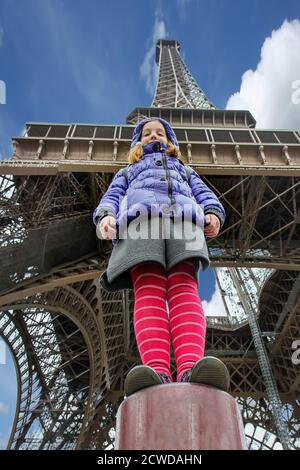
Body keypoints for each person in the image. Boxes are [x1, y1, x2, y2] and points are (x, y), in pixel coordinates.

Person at [93, 117, 230, 396]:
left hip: (185, 222)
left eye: (160, 133)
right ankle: (156, 370)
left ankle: (191, 366)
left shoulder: (185, 168)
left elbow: (204, 194)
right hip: (141, 222)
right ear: (137, 142)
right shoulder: (127, 172)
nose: (154, 136)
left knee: (185, 289)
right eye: (146, 133)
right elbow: (112, 197)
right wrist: (105, 217)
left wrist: (214, 213)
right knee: (148, 290)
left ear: (171, 142)